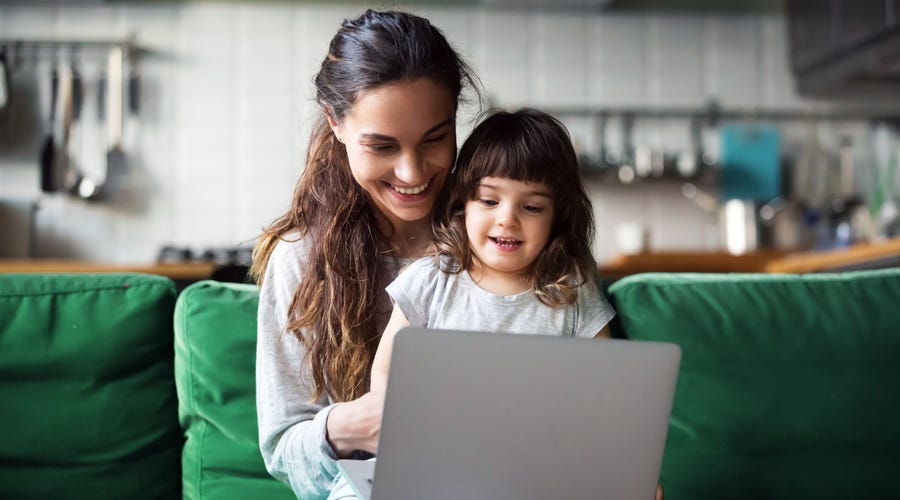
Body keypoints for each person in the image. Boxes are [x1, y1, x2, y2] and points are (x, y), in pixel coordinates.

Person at [250, 9, 478, 499]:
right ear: (336, 124)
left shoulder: (503, 234)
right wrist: (351, 425)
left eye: (435, 139)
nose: (413, 172)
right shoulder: (301, 257)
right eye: (382, 146)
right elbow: (283, 451)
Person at [369, 108, 615, 394]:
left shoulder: (572, 293)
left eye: (532, 207)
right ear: (464, 205)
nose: (508, 219)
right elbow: (386, 375)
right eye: (489, 201)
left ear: (557, 217)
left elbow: (604, 385)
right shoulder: (428, 281)